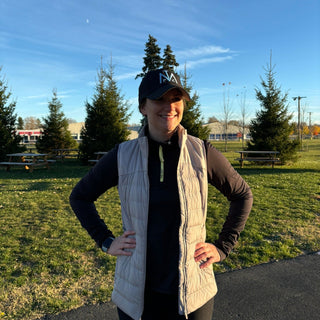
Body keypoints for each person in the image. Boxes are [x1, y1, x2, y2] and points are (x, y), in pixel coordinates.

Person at [69, 69, 253, 320]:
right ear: (143, 106)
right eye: (159, 99)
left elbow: (242, 194)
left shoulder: (201, 152)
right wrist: (106, 241)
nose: (170, 106)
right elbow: (80, 196)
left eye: (176, 98)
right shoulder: (123, 155)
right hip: (137, 294)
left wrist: (222, 247)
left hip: (193, 291)